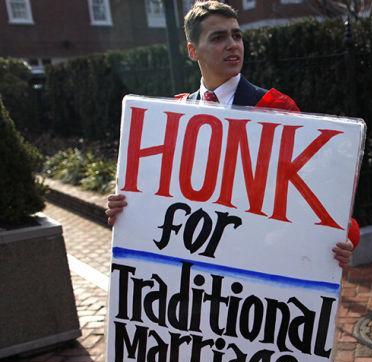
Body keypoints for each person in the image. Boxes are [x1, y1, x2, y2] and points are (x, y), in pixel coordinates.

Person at [106, 1, 358, 267]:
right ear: (193, 51)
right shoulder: (174, 117)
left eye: (236, 35)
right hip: (195, 270)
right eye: (218, 37)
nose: (233, 44)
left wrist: (345, 235)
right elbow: (155, 196)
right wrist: (125, 210)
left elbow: (316, 186)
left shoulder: (275, 110)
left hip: (258, 261)